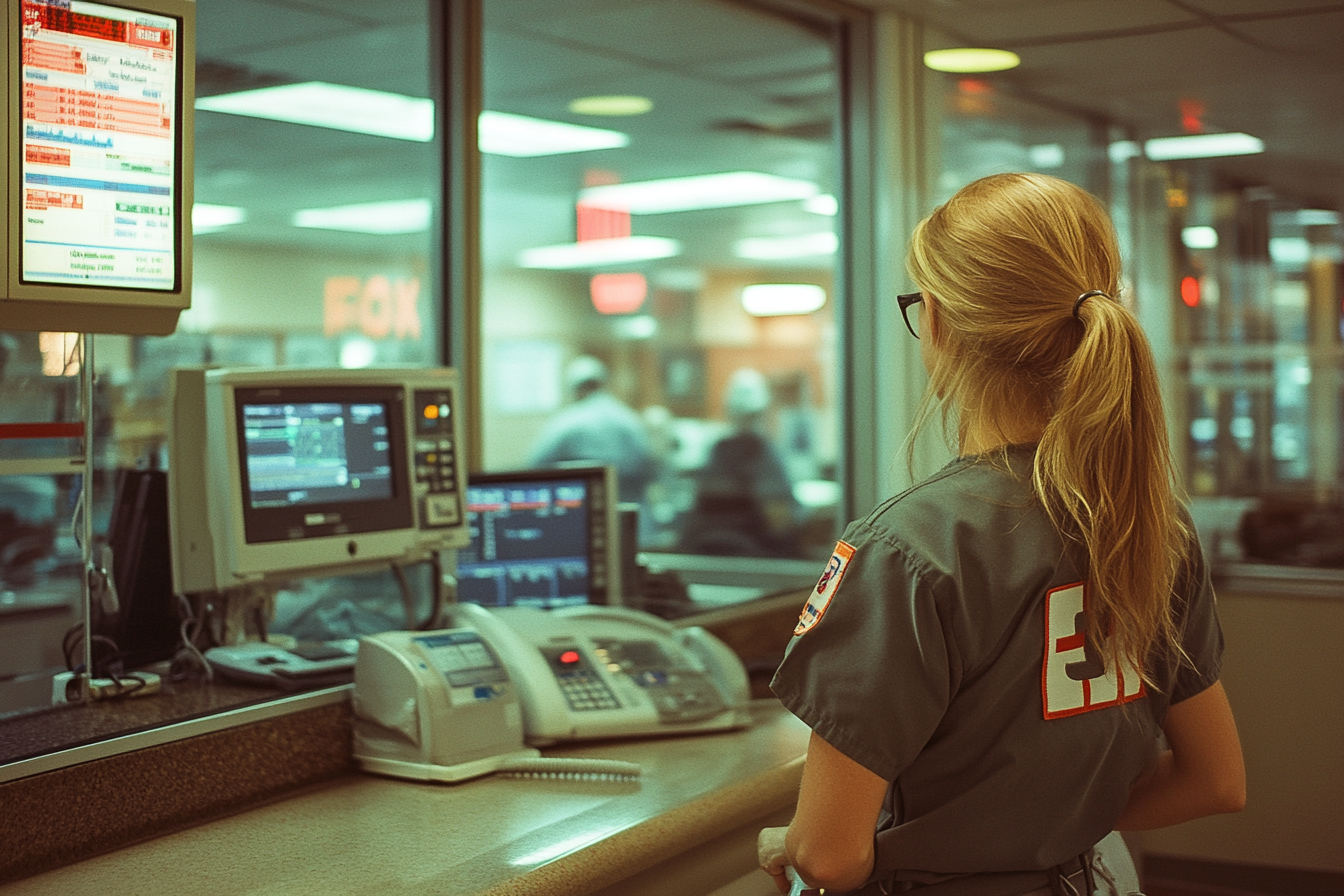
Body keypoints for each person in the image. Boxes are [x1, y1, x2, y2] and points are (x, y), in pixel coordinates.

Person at [758, 173, 1245, 896]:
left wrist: (793, 840)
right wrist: (1040, 832)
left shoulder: (907, 549)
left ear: (943, 325)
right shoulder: (1148, 521)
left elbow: (830, 857)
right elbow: (1215, 781)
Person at [679, 368, 800, 557]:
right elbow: (780, 521)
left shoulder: (717, 450)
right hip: (756, 558)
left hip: (708, 556)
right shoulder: (765, 454)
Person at [528, 354, 657, 507]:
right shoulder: (628, 419)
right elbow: (650, 464)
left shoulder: (566, 422)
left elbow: (536, 464)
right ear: (604, 384)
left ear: (575, 388)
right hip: (629, 508)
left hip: (582, 510)